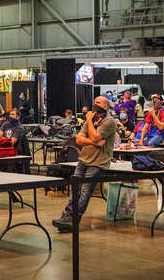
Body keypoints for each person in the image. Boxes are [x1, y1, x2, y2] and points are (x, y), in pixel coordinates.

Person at [52, 96, 116, 232]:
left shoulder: (109, 122)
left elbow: (95, 136)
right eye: (94, 102)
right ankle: (67, 217)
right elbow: (79, 140)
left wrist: (89, 124)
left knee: (85, 192)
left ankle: (72, 219)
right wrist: (93, 141)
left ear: (105, 106)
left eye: (98, 103)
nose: (94, 105)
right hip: (83, 159)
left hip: (98, 162)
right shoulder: (92, 120)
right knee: (76, 189)